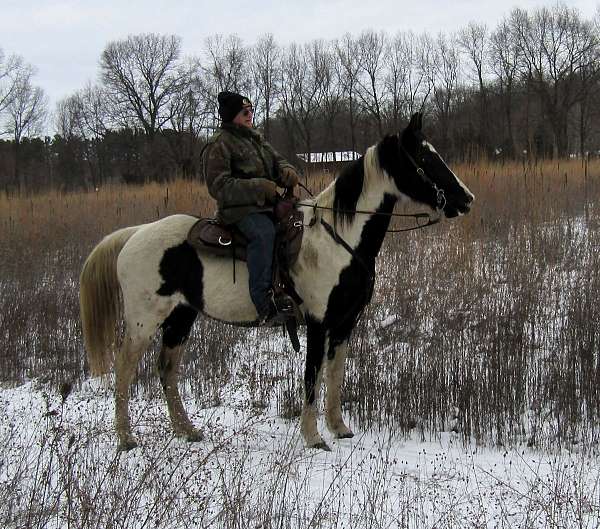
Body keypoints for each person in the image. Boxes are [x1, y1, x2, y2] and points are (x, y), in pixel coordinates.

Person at [202, 91, 300, 325]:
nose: (250, 115)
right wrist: (259, 187)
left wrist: (287, 172)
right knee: (264, 234)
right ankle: (263, 303)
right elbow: (218, 186)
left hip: (267, 206)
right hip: (239, 211)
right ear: (233, 116)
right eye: (245, 112)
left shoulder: (256, 139)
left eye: (252, 110)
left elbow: (279, 160)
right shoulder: (220, 144)